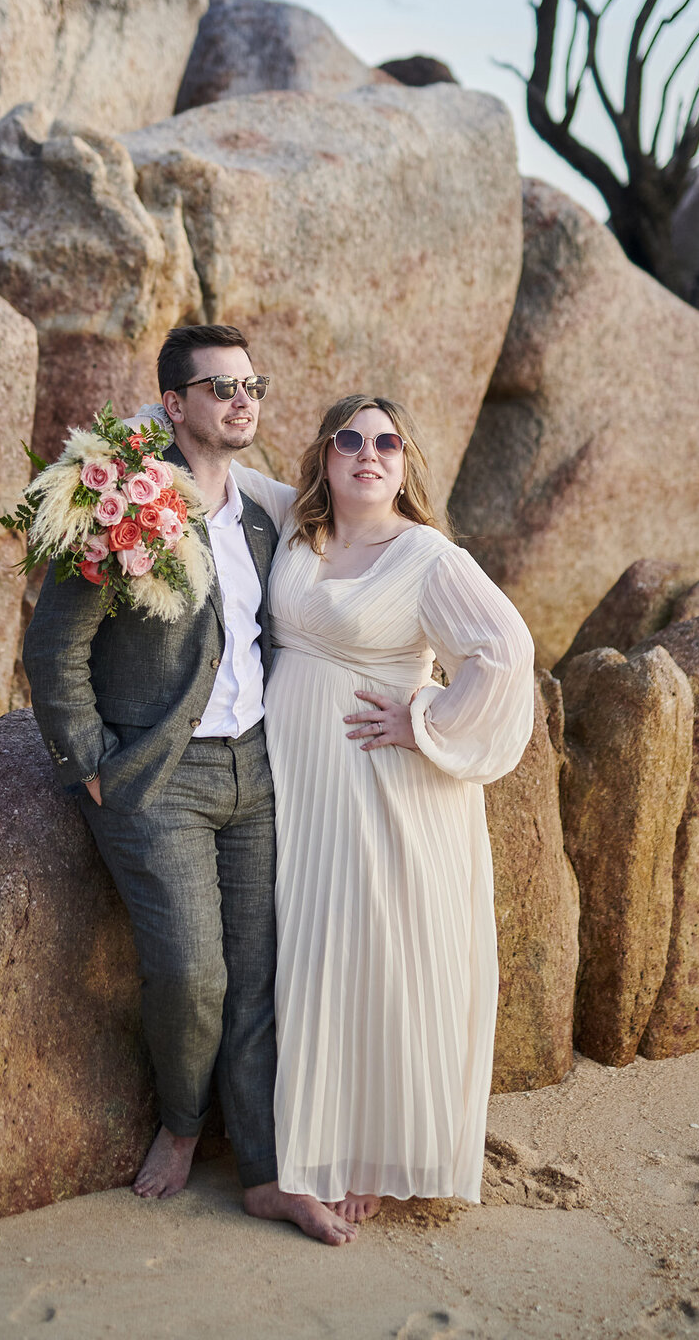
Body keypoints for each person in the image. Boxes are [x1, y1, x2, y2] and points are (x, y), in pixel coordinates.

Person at [23, 325, 359, 1247]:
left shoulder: (260, 518)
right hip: (156, 777)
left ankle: (262, 1172)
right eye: (220, 388)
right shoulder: (122, 509)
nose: (242, 401)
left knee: (255, 978)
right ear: (174, 405)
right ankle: (180, 1125)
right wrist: (88, 764)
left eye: (252, 384)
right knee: (190, 973)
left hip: (259, 769)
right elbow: (53, 650)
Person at [233, 393, 536, 1223]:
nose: (369, 453)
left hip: (381, 784)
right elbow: (211, 467)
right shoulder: (296, 527)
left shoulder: (427, 555)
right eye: (350, 439)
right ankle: (312, 1140)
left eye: (388, 442)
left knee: (372, 955)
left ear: (404, 465)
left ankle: (368, 1152)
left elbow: (506, 650)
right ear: (325, 458)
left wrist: (425, 718)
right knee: (309, 952)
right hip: (296, 782)